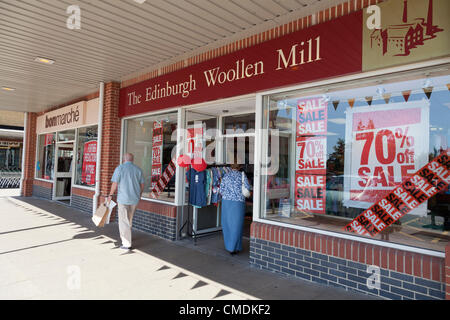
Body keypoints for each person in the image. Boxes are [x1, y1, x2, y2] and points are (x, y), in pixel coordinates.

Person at [107, 153, 144, 251]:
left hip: (123, 199)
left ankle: (127, 244)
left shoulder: (119, 168)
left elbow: (115, 184)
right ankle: (128, 237)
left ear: (123, 159)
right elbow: (142, 185)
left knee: (123, 221)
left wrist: (110, 195)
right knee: (129, 220)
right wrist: (139, 196)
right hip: (134, 199)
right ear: (133, 160)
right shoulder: (138, 169)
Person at [219, 163, 252, 255]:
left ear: (231, 167)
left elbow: (221, 190)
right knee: (237, 225)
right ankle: (236, 247)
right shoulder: (242, 175)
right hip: (238, 203)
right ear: (240, 166)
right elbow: (247, 188)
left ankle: (230, 246)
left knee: (227, 224)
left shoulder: (226, 176)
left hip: (227, 202)